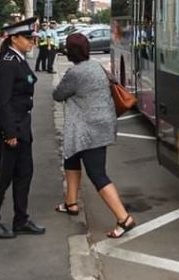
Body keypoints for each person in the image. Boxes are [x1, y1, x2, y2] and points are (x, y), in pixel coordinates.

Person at [53, 33, 137, 238]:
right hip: (101, 125)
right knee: (70, 158)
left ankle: (124, 218)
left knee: (97, 173)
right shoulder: (97, 67)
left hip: (88, 130)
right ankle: (71, 203)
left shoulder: (75, 73)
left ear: (70, 52)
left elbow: (58, 95)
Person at [0, 17, 45, 239]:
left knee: (24, 174)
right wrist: (9, 133)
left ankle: (21, 219)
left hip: (22, 124)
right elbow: (4, 102)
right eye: (28, 38)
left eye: (32, 38)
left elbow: (28, 81)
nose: (31, 42)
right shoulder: (8, 64)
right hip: (9, 127)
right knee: (2, 177)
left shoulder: (18, 59)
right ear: (14, 39)